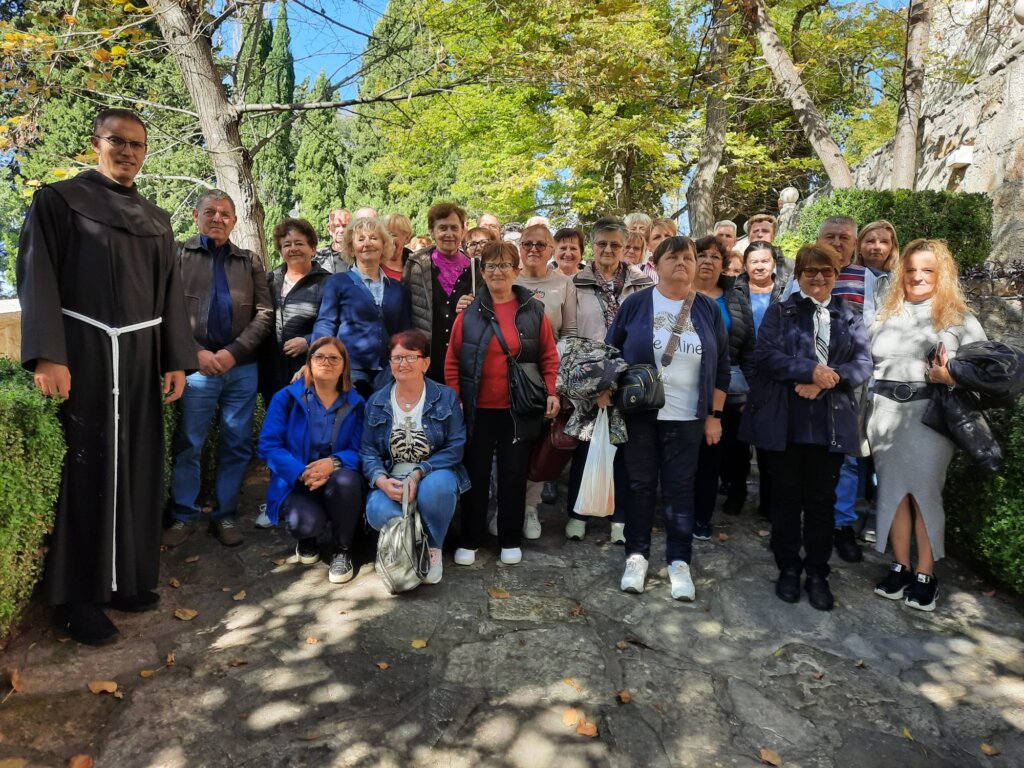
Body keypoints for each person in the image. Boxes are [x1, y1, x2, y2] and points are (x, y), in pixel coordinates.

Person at [17, 107, 194, 645]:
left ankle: (127, 579)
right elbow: (36, 277)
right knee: (87, 470)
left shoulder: (157, 219)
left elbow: (169, 293)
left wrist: (174, 357)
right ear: (96, 143)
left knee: (138, 466)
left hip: (140, 357)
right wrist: (49, 354)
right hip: (86, 353)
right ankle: (78, 599)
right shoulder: (59, 201)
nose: (128, 153)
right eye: (118, 142)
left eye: (138, 145)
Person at [740, 244, 871, 611]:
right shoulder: (782, 313)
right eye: (810, 271)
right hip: (785, 420)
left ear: (836, 274)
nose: (818, 277)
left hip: (828, 421)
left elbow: (863, 364)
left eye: (826, 271)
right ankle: (787, 567)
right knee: (785, 500)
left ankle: (817, 572)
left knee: (821, 503)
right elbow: (765, 356)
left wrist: (826, 379)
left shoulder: (850, 316)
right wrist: (807, 369)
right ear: (798, 275)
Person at [607, 235, 730, 600]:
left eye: (688, 257)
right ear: (655, 265)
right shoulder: (636, 304)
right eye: (672, 257)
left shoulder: (707, 309)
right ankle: (637, 556)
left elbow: (722, 366)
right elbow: (612, 352)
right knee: (640, 486)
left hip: (688, 419)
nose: (682, 263)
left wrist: (714, 416)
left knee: (679, 489)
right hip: (641, 415)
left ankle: (679, 562)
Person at [868, 240, 986, 611]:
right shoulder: (886, 314)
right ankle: (900, 565)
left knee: (924, 493)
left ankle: (925, 573)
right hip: (884, 414)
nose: (917, 276)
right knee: (893, 493)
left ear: (941, 274)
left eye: (928, 270)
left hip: (930, 415)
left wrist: (950, 375)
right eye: (911, 269)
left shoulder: (958, 318)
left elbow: (983, 370)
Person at [165, 190, 273, 549]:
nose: (217, 218)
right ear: (196, 216)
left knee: (237, 444)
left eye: (225, 214)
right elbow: (166, 310)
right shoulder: (178, 254)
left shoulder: (249, 260)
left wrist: (234, 352)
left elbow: (265, 313)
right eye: (210, 212)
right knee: (189, 444)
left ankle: (225, 515)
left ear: (235, 221)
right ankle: (183, 516)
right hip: (194, 369)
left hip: (240, 369)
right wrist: (195, 353)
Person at [445, 242, 560, 565]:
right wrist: (456, 400)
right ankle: (471, 538)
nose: (497, 272)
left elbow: (549, 356)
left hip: (518, 408)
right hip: (476, 409)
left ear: (516, 270)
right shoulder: (468, 312)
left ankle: (510, 537)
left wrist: (552, 391)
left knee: (513, 474)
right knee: (476, 474)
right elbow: (452, 360)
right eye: (491, 266)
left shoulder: (533, 311)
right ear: (482, 273)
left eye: (504, 265)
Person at [568, 217, 654, 543]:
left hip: (629, 377)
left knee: (623, 448)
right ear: (592, 245)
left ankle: (619, 517)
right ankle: (577, 513)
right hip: (588, 374)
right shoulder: (576, 282)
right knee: (585, 446)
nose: (608, 249)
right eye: (602, 243)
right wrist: (593, 381)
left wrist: (620, 379)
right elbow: (571, 333)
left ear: (625, 247)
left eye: (615, 244)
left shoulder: (642, 283)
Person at [362, 330, 470, 586]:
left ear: (426, 362)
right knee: (377, 510)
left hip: (433, 472)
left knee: (437, 490)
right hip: (392, 475)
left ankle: (433, 547)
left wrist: (419, 472)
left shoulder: (445, 397)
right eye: (397, 357)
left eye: (411, 357)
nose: (403, 364)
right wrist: (380, 481)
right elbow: (367, 451)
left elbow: (456, 447)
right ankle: (409, 545)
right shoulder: (376, 402)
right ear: (389, 363)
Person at [258, 337, 365, 584]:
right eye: (319, 357)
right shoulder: (286, 398)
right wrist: (301, 472)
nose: (326, 362)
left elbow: (362, 449)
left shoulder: (357, 404)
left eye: (334, 358)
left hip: (338, 479)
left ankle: (342, 549)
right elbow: (269, 445)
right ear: (308, 363)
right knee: (303, 524)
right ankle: (308, 539)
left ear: (343, 366)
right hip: (300, 481)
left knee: (347, 481)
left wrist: (334, 463)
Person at [514, 223, 578, 538]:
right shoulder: (508, 278)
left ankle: (530, 508)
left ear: (551, 249)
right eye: (528, 244)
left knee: (540, 444)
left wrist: (558, 378)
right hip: (510, 375)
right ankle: (507, 506)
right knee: (511, 444)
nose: (534, 250)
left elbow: (570, 333)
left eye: (541, 244)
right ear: (519, 247)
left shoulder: (564, 284)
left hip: (546, 375)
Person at [692, 235, 755, 541]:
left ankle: (701, 517)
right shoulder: (676, 295)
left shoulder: (735, 298)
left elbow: (749, 349)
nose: (707, 261)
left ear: (724, 264)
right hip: (682, 389)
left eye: (715, 257)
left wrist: (751, 392)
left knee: (712, 458)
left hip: (725, 390)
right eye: (701, 255)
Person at [312, 217, 411, 398]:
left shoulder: (397, 288)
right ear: (351, 247)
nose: (368, 244)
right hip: (350, 370)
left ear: (383, 245)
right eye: (360, 239)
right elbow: (326, 324)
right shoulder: (337, 283)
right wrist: (317, 361)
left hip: (388, 372)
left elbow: (404, 331)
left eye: (374, 238)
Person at [731, 240, 787, 517]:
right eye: (754, 261)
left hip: (776, 376)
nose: (760, 266)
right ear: (745, 265)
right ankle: (736, 492)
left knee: (769, 445)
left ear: (774, 263)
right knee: (739, 444)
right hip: (742, 371)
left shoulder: (786, 291)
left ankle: (769, 500)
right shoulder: (734, 290)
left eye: (765, 260)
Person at [258, 218, 330, 407]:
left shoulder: (328, 283)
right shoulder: (269, 281)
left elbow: (336, 324)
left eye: (299, 243)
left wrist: (308, 341)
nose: (293, 249)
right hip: (272, 373)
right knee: (277, 426)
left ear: (312, 248)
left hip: (310, 370)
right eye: (286, 245)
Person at [403, 203, 479, 382]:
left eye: (454, 228)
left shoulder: (476, 269)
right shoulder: (416, 266)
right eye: (442, 228)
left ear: (463, 230)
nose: (449, 234)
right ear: (431, 230)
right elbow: (405, 311)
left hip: (463, 361)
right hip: (425, 360)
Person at [315, 208, 351, 274]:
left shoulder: (359, 256)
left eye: (345, 226)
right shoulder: (318, 257)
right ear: (329, 229)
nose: (341, 230)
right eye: (336, 226)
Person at [381, 213, 414, 280]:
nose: (387, 239)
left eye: (392, 235)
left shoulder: (416, 266)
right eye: (384, 235)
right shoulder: (372, 264)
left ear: (406, 239)